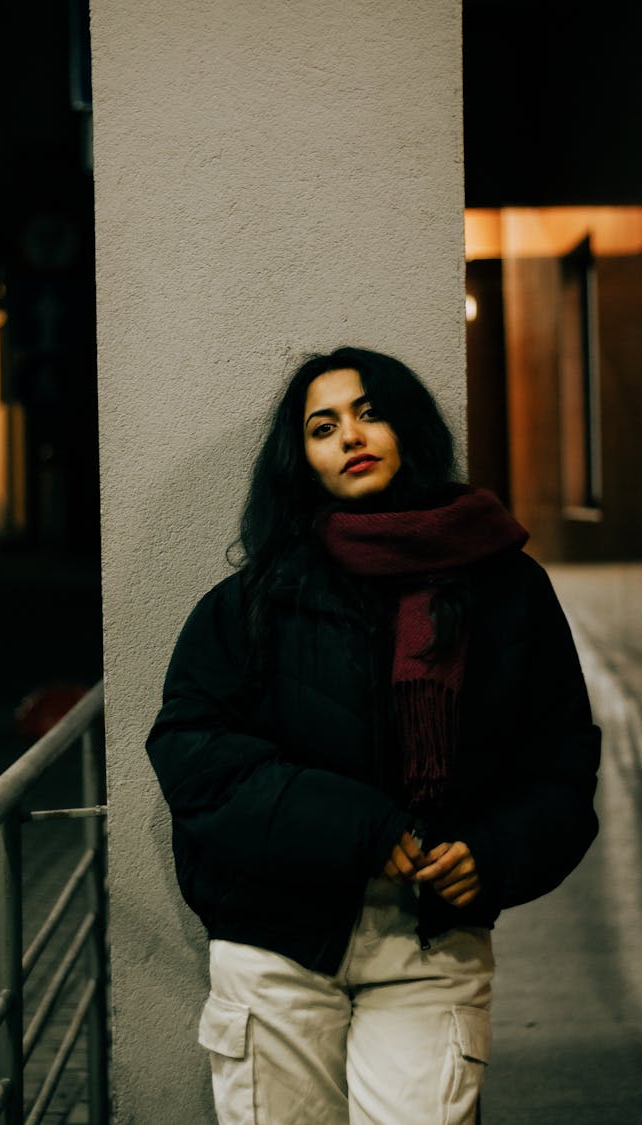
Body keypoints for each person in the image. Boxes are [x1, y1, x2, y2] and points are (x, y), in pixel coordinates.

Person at [146, 346, 600, 1125]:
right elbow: (194, 754)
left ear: (409, 427)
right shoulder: (253, 599)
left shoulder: (508, 589)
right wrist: (359, 826)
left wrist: (496, 852)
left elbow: (560, 767)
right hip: (274, 944)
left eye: (369, 411)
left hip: (430, 941)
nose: (350, 435)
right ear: (305, 459)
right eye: (324, 426)